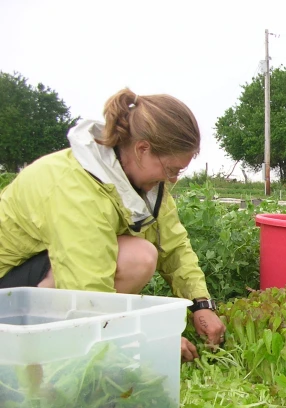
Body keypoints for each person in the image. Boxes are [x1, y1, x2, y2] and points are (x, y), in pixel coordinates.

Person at [0, 88, 225, 362]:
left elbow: (174, 246)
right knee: (136, 258)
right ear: (142, 149)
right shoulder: (74, 185)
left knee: (141, 255)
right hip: (8, 290)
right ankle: (44, 350)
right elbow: (85, 287)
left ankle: (88, 340)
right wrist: (145, 338)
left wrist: (201, 304)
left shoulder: (147, 184)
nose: (173, 179)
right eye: (171, 169)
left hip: (37, 276)